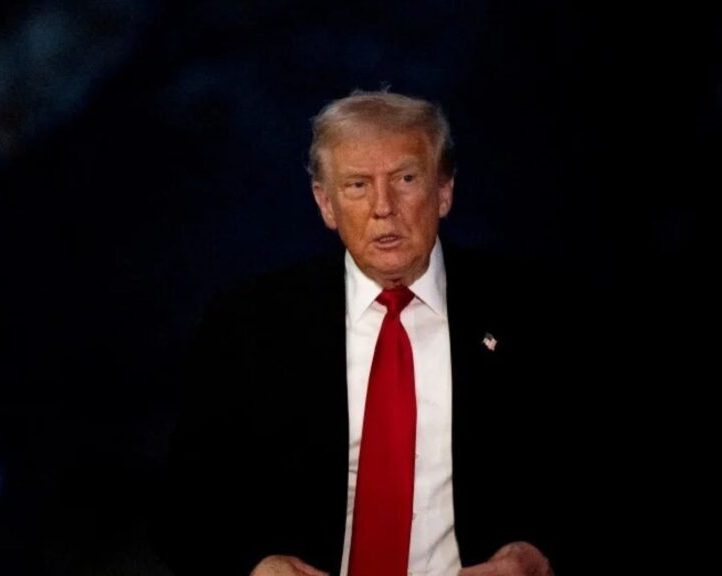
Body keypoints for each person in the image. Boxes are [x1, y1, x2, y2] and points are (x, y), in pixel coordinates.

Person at [156, 90, 578, 575]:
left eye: (405, 179)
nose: (384, 207)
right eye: (357, 185)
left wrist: (538, 556)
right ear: (326, 204)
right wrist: (254, 566)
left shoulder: (538, 313)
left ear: (444, 191)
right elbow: (185, 505)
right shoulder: (250, 323)